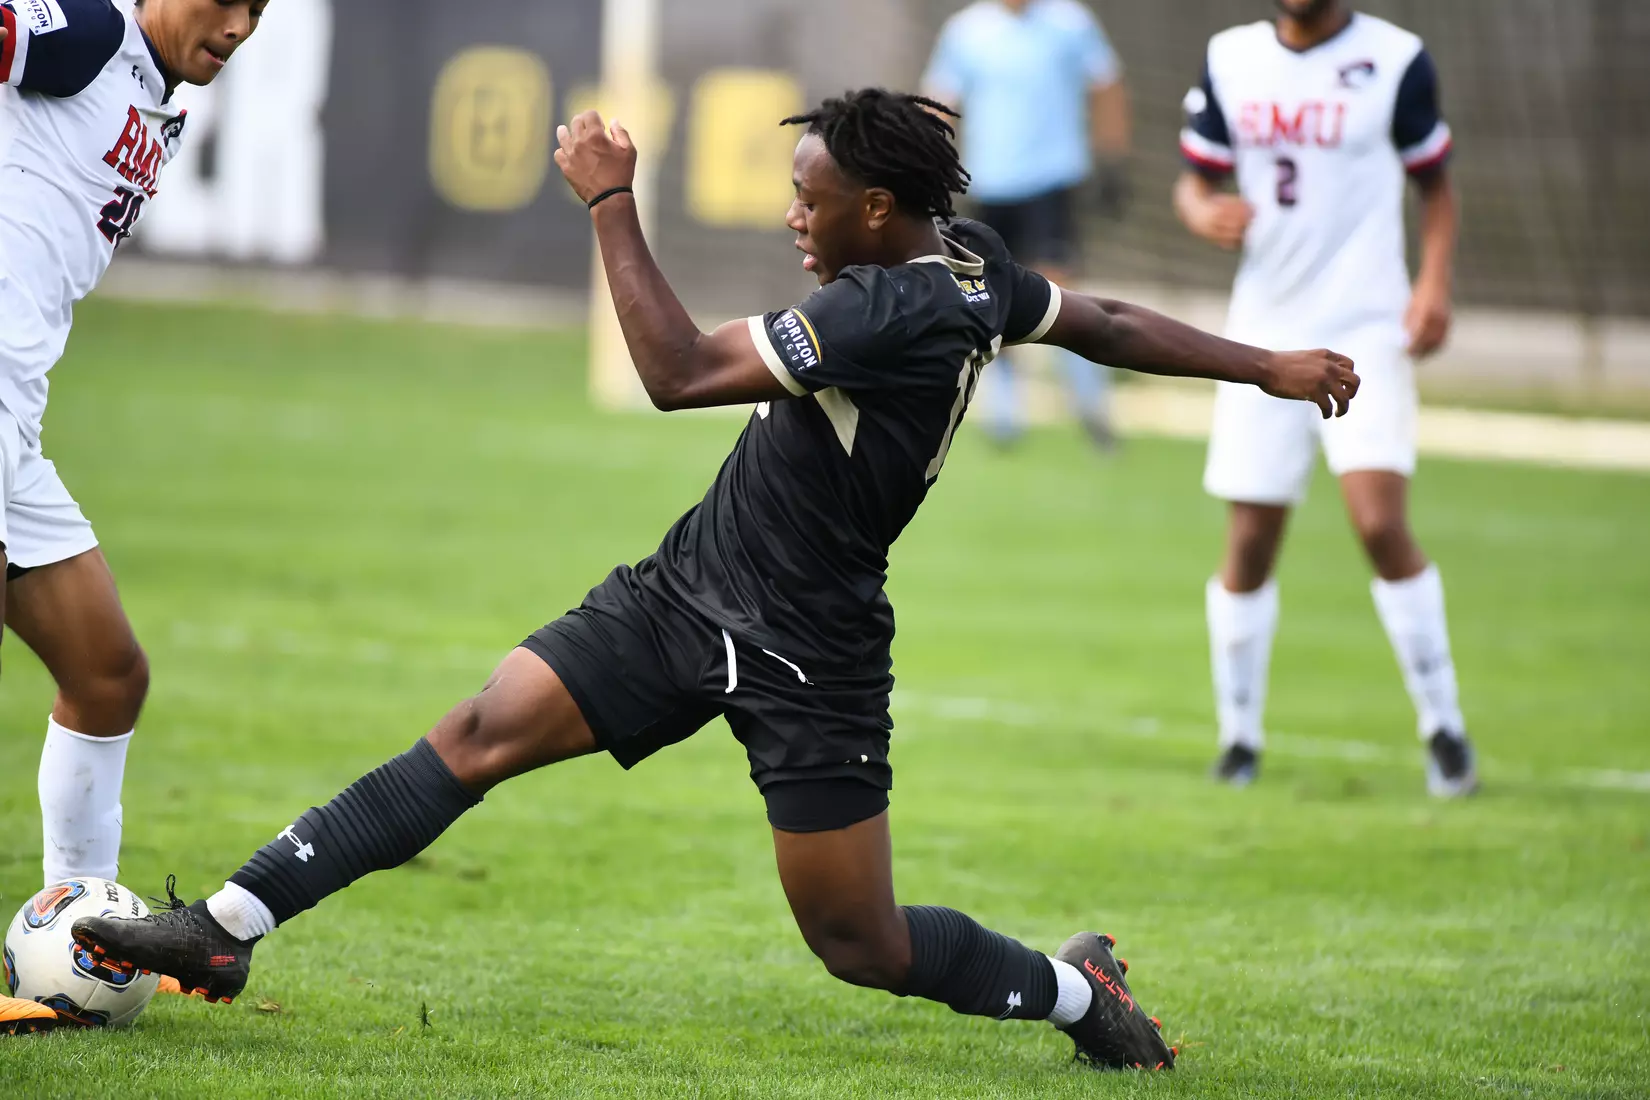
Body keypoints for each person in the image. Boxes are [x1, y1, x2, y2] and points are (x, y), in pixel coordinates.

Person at [73, 90, 1355, 1069]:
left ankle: (1083, 992)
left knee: (863, 943)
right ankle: (227, 924)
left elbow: (677, 371)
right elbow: (1105, 322)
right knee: (475, 735)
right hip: (686, 591)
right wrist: (1268, 365)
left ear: (871, 211)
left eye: (810, 198)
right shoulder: (962, 264)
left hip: (814, 650)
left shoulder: (890, 312)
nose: (792, 216)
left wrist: (609, 201)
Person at [0, 0, 265, 1037]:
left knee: (107, 671)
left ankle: (86, 943)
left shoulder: (149, 87)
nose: (241, 24)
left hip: (15, 430)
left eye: (261, 8)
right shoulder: (89, 33)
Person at [1175, 0, 1475, 794]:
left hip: (1366, 324)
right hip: (1263, 334)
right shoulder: (1231, 57)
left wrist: (1434, 285)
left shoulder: (1396, 57)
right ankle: (1238, 739)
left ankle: (1444, 729)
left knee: (1379, 522)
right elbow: (1193, 183)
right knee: (1249, 542)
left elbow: (1436, 188)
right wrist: (1206, 211)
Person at [921, 0, 1130, 449]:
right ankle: (1005, 417)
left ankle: (1093, 409)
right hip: (991, 182)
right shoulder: (967, 30)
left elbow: (1107, 83)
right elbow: (940, 101)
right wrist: (927, 165)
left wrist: (1112, 158)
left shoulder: (1069, 21)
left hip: (1051, 180)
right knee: (994, 298)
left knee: (1061, 291)